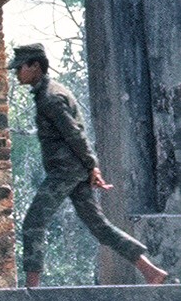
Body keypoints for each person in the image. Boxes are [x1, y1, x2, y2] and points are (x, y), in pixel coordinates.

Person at [12, 43, 167, 286]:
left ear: (35, 66)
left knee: (33, 223)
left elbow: (74, 134)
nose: (16, 73)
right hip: (72, 171)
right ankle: (150, 271)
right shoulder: (50, 93)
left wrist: (92, 165)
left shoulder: (51, 97)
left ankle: (32, 290)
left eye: (19, 67)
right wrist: (89, 167)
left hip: (65, 172)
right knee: (99, 227)